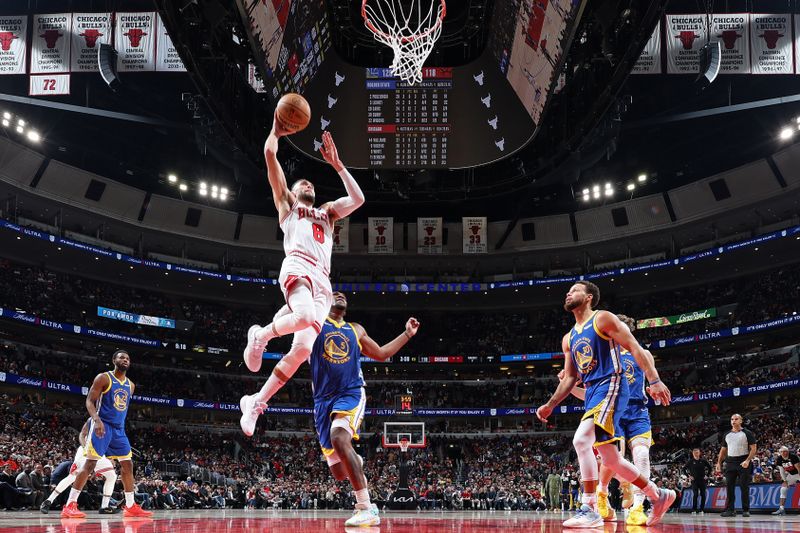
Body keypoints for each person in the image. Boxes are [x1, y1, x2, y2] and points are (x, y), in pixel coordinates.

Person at [239, 118, 365, 435]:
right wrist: (275, 132)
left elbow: (359, 199)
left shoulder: (328, 212)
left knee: (302, 351)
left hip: (323, 280)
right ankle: (261, 336)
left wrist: (337, 164)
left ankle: (256, 402)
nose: (307, 184)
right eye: (302, 183)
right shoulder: (288, 204)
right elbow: (270, 157)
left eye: (310, 183)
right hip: (297, 265)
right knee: (305, 314)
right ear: (293, 191)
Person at [255, 291, 418, 526]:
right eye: (334, 293)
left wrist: (407, 334)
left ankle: (366, 507)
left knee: (339, 438)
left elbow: (381, 354)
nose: (340, 295)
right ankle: (355, 461)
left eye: (343, 295)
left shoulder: (356, 329)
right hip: (322, 401)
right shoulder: (314, 323)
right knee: (340, 473)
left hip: (350, 392)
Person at [536, 281, 675, 527]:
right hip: (593, 392)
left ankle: (589, 507)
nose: (569, 293)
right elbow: (569, 377)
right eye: (568, 291)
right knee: (611, 460)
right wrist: (551, 404)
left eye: (575, 290)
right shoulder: (568, 338)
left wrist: (654, 380)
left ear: (589, 297)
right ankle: (658, 495)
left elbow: (634, 347)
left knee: (581, 440)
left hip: (612, 384)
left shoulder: (603, 319)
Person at [559, 314, 655, 525]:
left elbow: (650, 374)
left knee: (641, 455)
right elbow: (590, 394)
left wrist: (655, 383)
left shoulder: (641, 353)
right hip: (614, 408)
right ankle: (604, 495)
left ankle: (639, 506)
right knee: (610, 459)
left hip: (637, 410)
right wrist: (571, 385)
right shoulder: (604, 356)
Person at [60, 350, 152, 518]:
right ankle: (69, 505)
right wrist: (96, 420)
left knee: (128, 465)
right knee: (89, 465)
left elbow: (121, 407)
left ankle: (130, 506)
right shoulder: (103, 377)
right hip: (103, 426)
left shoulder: (130, 385)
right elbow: (89, 401)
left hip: (119, 429)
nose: (125, 359)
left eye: (127, 358)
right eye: (121, 357)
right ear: (114, 360)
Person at [41, 418, 118, 514]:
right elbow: (82, 434)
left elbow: (108, 443)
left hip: (99, 453)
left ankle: (104, 506)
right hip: (86, 450)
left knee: (112, 476)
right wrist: (86, 447)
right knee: (73, 476)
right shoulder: (93, 419)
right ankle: (49, 501)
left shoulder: (112, 421)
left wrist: (111, 457)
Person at [716, 413, 756, 517]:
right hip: (730, 463)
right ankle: (730, 510)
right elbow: (723, 450)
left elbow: (754, 449)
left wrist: (747, 460)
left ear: (741, 421)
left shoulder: (747, 433)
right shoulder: (726, 434)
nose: (733, 421)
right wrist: (719, 463)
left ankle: (746, 510)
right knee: (729, 487)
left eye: (736, 419)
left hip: (743, 461)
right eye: (732, 419)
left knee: (744, 486)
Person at [772, 446, 800, 515]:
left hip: (798, 473)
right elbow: (782, 471)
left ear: (788, 451)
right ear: (780, 453)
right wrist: (785, 481)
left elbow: (798, 468)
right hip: (791, 475)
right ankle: (781, 509)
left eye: (785, 451)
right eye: (782, 452)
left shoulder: (793, 457)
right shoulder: (779, 459)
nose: (784, 453)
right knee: (783, 489)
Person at [686, 447, 712, 515]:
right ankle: (694, 509)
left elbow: (710, 468)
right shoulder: (690, 461)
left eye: (697, 452)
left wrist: (707, 475)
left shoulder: (703, 460)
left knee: (703, 494)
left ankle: (702, 509)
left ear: (699, 453)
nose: (696, 454)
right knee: (695, 494)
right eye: (695, 453)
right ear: (693, 453)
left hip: (702, 480)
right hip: (694, 481)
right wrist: (689, 476)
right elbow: (684, 469)